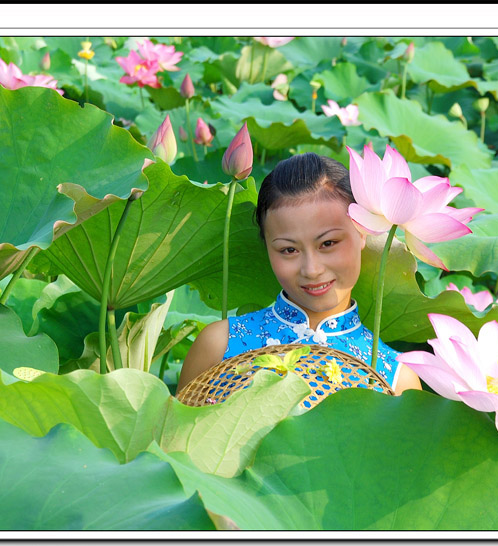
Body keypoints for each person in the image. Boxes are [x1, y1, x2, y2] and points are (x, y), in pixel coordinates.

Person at [178, 152, 421, 396]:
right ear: (267, 248)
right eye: (289, 250)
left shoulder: (397, 378)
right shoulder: (218, 345)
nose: (312, 270)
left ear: (361, 232)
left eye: (328, 243)